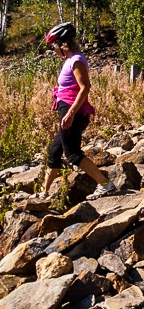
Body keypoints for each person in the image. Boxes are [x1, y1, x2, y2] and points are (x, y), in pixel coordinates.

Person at [37, 22, 115, 199]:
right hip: (67, 108)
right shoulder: (70, 60)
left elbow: (85, 87)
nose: (53, 51)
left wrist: (70, 113)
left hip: (73, 111)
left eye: (54, 47)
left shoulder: (77, 61)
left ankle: (106, 185)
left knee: (72, 154)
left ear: (63, 45)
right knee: (54, 152)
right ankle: (43, 192)